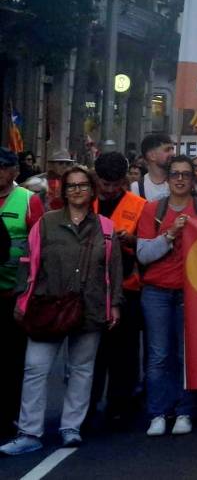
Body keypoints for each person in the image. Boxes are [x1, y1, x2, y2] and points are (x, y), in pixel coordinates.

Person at [1, 166, 121, 455]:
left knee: (81, 370)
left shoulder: (106, 228)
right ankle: (29, 432)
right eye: (71, 186)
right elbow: (28, 262)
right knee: (35, 368)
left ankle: (71, 428)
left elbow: (114, 269)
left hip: (90, 306)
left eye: (82, 185)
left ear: (92, 190)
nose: (77, 191)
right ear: (63, 191)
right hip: (47, 304)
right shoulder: (46, 223)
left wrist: (115, 304)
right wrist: (22, 299)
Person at [137, 155, 197, 437]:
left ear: (193, 181)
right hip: (156, 291)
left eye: (186, 175)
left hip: (192, 292)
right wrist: (170, 234)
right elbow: (144, 255)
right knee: (158, 355)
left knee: (186, 354)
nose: (180, 179)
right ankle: (157, 412)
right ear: (167, 180)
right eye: (175, 175)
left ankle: (184, 411)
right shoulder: (152, 210)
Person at [89, 152, 146, 429]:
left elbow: (149, 247)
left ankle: (120, 406)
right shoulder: (86, 201)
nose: (110, 189)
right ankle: (87, 406)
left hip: (127, 289)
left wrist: (132, 240)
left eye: (115, 184)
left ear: (124, 180)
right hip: (91, 289)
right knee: (91, 352)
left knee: (124, 352)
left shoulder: (141, 206)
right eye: (104, 183)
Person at [0, 147, 44, 432]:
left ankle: (9, 415)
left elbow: (38, 248)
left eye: (3, 167)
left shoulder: (29, 201)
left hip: (13, 292)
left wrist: (30, 291)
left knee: (11, 358)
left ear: (15, 171)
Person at [134, 133, 175, 203]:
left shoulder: (179, 182)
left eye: (172, 149)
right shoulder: (136, 188)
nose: (173, 153)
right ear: (152, 156)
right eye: (167, 150)